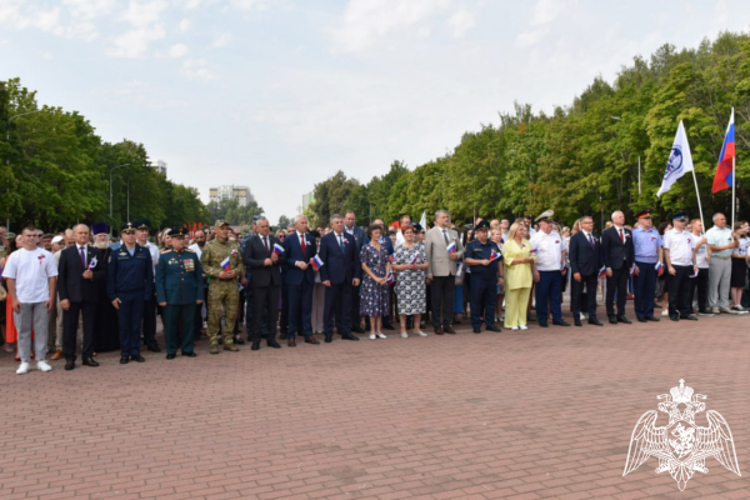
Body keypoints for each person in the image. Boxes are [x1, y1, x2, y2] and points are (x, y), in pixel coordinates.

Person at [2, 225, 58, 375]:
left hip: (42, 299)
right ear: (22, 237)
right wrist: (14, 299)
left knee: (41, 330)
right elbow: (10, 279)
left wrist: (51, 297)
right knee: (23, 331)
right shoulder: (15, 256)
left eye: (34, 235)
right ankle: (25, 361)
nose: (32, 238)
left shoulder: (46, 255)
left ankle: (41, 359)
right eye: (28, 235)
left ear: (38, 237)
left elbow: (52, 278)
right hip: (22, 299)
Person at [58, 224, 106, 370]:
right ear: (74, 235)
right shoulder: (66, 253)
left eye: (85, 233)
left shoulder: (96, 252)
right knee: (70, 328)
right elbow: (61, 278)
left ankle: (88, 356)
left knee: (89, 327)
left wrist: (93, 275)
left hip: (90, 295)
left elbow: (103, 272)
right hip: (72, 296)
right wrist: (63, 297)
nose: (83, 236)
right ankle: (70, 357)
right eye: (80, 233)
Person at [108, 221, 155, 364]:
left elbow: (149, 275)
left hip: (139, 294)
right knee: (124, 325)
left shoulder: (144, 252)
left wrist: (147, 294)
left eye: (133, 233)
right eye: (127, 233)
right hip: (122, 295)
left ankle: (135, 351)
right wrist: (113, 296)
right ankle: (125, 352)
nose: (130, 236)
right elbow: (111, 277)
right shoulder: (116, 253)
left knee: (136, 325)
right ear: (122, 235)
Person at [155, 227, 204, 359]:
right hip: (171, 296)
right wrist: (161, 297)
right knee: (171, 325)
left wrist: (199, 295)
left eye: (183, 238)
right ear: (171, 240)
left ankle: (187, 348)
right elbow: (159, 279)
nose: (181, 241)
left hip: (189, 295)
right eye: (178, 239)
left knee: (189, 323)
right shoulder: (164, 256)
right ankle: (171, 350)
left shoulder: (192, 254)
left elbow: (198, 277)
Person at [200, 220, 245, 354]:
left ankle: (229, 341)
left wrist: (236, 271)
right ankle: (213, 341)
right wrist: (217, 273)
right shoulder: (210, 246)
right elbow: (204, 265)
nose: (225, 231)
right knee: (214, 314)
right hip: (216, 285)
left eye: (227, 228)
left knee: (232, 313)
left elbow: (241, 263)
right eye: (222, 228)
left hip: (232, 284)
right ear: (216, 230)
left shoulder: (234, 245)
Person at [318, 214, 361, 343]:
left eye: (341, 222)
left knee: (347, 306)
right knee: (330, 307)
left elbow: (356, 259)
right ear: (332, 225)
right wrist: (324, 277)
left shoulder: (350, 238)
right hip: (332, 279)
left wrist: (356, 275)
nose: (340, 224)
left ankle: (346, 331)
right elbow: (322, 260)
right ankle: (328, 332)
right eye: (337, 222)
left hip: (347, 278)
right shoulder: (326, 239)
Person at [243, 216, 284, 351]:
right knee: (258, 311)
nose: (266, 229)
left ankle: (271, 338)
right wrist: (262, 262)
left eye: (267, 226)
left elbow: (283, 257)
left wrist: (277, 258)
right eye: (263, 227)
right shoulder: (251, 242)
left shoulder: (275, 240)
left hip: (273, 280)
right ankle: (256, 339)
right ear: (257, 228)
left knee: (273, 311)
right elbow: (247, 260)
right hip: (259, 281)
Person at [424, 210, 464, 335]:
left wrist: (456, 255)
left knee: (449, 299)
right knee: (436, 300)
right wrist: (428, 272)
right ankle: (437, 325)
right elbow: (427, 254)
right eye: (443, 217)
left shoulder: (453, 233)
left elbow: (462, 249)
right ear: (436, 220)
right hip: (436, 271)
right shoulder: (430, 233)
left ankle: (447, 324)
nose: (446, 219)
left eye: (447, 217)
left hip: (451, 270)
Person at [282, 215, 318, 347]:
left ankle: (308, 334)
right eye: (302, 223)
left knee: (307, 307)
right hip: (293, 278)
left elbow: (314, 256)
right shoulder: (289, 239)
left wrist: (315, 264)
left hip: (307, 278)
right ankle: (291, 335)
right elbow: (283, 258)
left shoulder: (311, 239)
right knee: (293, 308)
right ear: (296, 224)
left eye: (306, 223)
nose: (305, 225)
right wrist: (296, 262)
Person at [530, 212, 570, 328]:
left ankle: (557, 317)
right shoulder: (535, 238)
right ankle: (542, 318)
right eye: (547, 223)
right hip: (542, 270)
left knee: (556, 296)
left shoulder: (556, 235)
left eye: (550, 223)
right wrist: (535, 271)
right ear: (541, 224)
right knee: (542, 296)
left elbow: (562, 250)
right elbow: (532, 255)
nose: (549, 226)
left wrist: (562, 265)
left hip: (556, 270)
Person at [464, 219, 503, 333]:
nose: (485, 234)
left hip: (491, 277)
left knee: (491, 301)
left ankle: (490, 323)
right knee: (476, 301)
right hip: (477, 277)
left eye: (486, 231)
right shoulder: (472, 245)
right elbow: (467, 260)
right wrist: (481, 262)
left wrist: (501, 276)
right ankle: (476, 324)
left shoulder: (493, 245)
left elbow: (499, 260)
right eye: (482, 231)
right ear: (477, 233)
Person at [392, 223, 428, 337]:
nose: (409, 234)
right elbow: (394, 265)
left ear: (414, 234)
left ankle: (416, 328)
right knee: (404, 305)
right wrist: (406, 266)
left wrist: (419, 267)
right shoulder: (399, 248)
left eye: (411, 232)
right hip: (404, 282)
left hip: (418, 281)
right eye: (407, 233)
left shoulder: (420, 247)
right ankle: (403, 329)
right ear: (403, 234)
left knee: (418, 304)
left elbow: (426, 263)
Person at [663, 211, 698, 321]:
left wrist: (695, 264)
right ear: (675, 221)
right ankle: (673, 312)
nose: (684, 223)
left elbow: (692, 250)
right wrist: (669, 266)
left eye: (685, 220)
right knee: (674, 291)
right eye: (681, 221)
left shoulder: (688, 234)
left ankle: (685, 311)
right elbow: (666, 251)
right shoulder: (669, 234)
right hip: (676, 265)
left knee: (686, 291)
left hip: (687, 265)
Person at [568, 215, 604, 327]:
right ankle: (577, 317)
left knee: (592, 294)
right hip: (580, 270)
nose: (591, 225)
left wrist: (599, 267)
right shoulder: (576, 237)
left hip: (593, 270)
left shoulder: (596, 237)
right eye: (588, 223)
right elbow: (572, 256)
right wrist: (575, 271)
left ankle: (592, 316)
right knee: (577, 294)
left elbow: (599, 253)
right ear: (582, 225)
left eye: (592, 223)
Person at [600, 210, 635, 324]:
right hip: (613, 265)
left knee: (622, 290)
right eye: (620, 216)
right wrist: (607, 266)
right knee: (611, 290)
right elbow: (605, 250)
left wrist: (630, 264)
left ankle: (621, 313)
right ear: (614, 219)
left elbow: (630, 248)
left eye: (623, 216)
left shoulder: (628, 232)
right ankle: (611, 314)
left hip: (625, 265)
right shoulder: (607, 232)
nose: (622, 218)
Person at [502, 222, 536, 330]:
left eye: (524, 230)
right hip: (514, 273)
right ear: (514, 231)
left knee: (524, 299)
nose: (523, 232)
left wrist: (532, 259)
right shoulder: (508, 243)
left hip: (526, 273)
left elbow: (534, 254)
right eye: (520, 230)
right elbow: (506, 259)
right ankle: (512, 322)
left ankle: (522, 321)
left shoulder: (527, 242)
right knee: (512, 300)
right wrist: (522, 259)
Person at [134, 218, 162, 353]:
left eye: (146, 230)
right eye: (141, 231)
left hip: (149, 285)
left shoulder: (154, 248)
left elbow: (156, 268)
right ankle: (135, 342)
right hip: (135, 286)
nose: (144, 233)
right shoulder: (131, 247)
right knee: (135, 315)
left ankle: (150, 340)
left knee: (150, 315)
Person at [631, 209, 663, 322]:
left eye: (650, 218)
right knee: (639, 290)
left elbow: (660, 248)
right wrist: (634, 264)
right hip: (640, 262)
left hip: (652, 263)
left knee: (650, 289)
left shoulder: (655, 232)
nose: (649, 221)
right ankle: (640, 314)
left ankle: (649, 313)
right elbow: (631, 250)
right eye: (646, 218)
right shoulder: (634, 233)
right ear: (640, 220)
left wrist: (661, 263)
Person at [360, 224, 391, 340]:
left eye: (379, 233)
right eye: (376, 233)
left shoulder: (383, 248)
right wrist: (375, 278)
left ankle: (379, 330)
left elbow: (387, 262)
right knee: (373, 307)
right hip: (371, 281)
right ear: (370, 234)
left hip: (383, 280)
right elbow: (364, 266)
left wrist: (386, 276)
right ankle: (372, 330)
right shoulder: (366, 248)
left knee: (381, 305)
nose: (378, 235)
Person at [705, 212, 737, 314]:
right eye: (722, 219)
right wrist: (728, 246)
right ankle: (713, 305)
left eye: (724, 219)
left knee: (726, 283)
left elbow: (736, 245)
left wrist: (735, 237)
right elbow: (712, 247)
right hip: (716, 259)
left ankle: (724, 305)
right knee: (714, 283)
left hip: (727, 259)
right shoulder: (711, 232)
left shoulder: (729, 231)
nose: (724, 221)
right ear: (716, 221)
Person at [690, 219, 713, 316]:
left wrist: (709, 255)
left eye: (702, 225)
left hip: (704, 265)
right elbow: (693, 250)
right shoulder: (691, 237)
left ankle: (702, 307)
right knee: (691, 288)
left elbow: (709, 249)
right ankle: (689, 307)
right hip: (695, 265)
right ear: (693, 226)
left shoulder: (704, 236)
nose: (701, 227)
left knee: (703, 288)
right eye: (699, 225)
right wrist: (700, 242)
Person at [189, 229, 208, 339]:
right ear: (194, 239)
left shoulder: (211, 247)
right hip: (197, 281)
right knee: (197, 307)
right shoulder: (191, 250)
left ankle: (212, 330)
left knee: (211, 307)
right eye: (197, 238)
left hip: (211, 281)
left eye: (202, 237)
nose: (200, 239)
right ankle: (197, 330)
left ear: (205, 236)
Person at [730, 221, 750, 311]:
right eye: (741, 228)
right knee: (735, 283)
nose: (743, 229)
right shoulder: (734, 238)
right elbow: (732, 252)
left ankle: (739, 302)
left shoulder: (746, 239)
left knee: (741, 284)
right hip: (736, 261)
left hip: (743, 261)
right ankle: (735, 303)